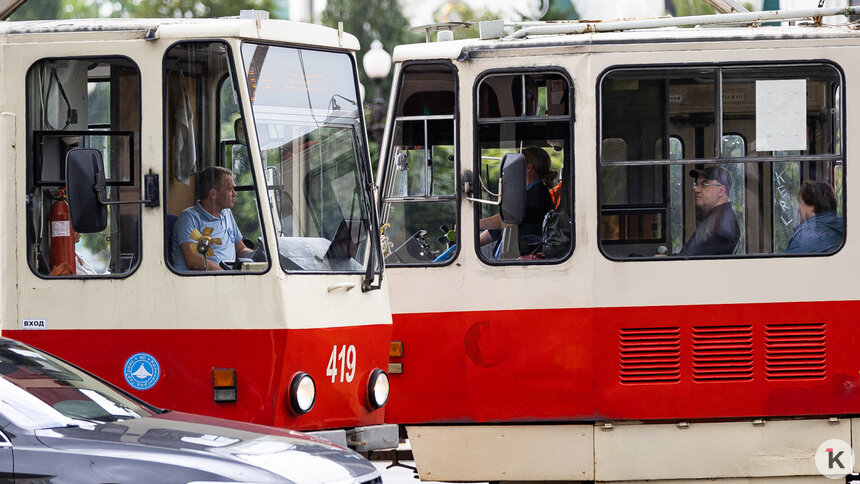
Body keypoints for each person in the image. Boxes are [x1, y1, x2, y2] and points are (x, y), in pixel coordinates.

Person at [172, 166, 253, 271]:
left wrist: (259, 256)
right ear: (213, 194)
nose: (235, 194)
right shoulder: (189, 218)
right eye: (230, 189)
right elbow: (193, 260)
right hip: (201, 278)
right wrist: (225, 274)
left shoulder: (226, 213)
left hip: (225, 275)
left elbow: (240, 249)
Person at [479, 146, 556, 256]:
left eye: (515, 165)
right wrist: (469, 244)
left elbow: (504, 221)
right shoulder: (527, 193)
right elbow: (498, 228)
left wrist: (472, 224)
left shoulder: (536, 194)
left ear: (528, 167)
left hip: (524, 258)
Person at [678, 166, 740, 256]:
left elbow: (691, 257)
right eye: (696, 185)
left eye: (704, 184)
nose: (696, 189)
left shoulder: (722, 222)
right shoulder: (716, 217)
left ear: (721, 190)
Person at [785, 181, 843, 254]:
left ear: (812, 206)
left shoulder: (805, 235)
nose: (798, 209)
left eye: (801, 204)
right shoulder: (843, 226)